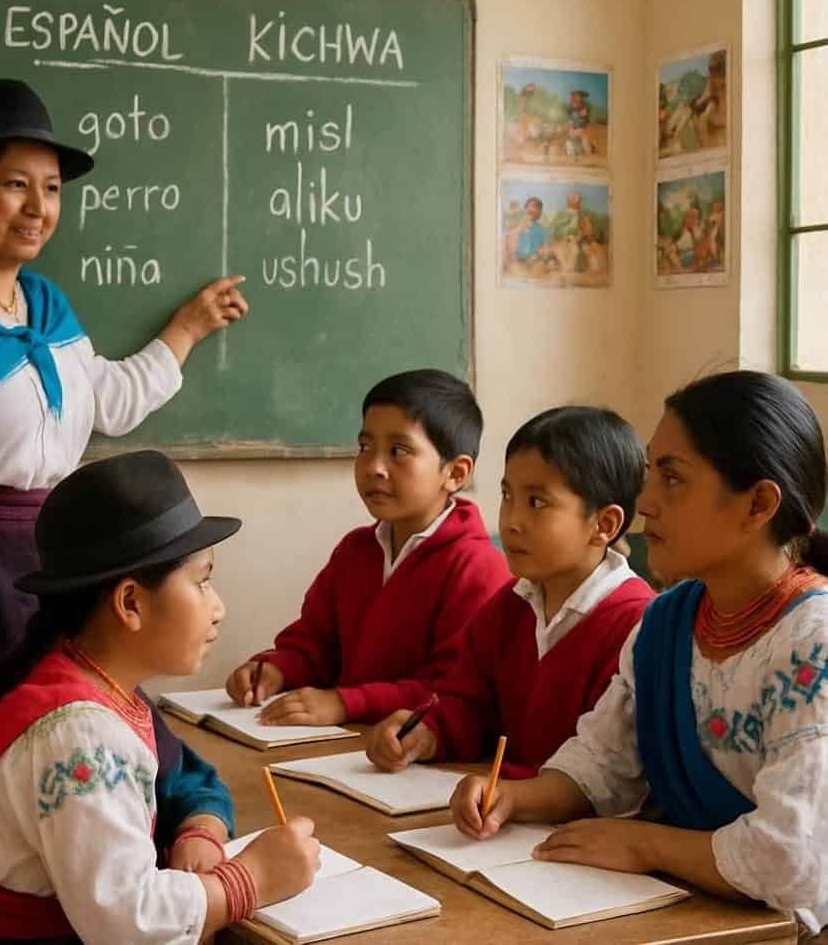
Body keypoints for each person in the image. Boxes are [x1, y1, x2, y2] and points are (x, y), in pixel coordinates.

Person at [0, 78, 248, 940]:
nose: (39, 207)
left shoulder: (46, 308)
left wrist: (186, 328)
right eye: (15, 185)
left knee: (51, 767)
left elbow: (106, 401)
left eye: (52, 188)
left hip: (38, 574)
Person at [450, 371, 828, 938]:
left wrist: (647, 844)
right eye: (651, 473)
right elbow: (602, 763)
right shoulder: (666, 623)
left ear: (757, 504)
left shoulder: (813, 644)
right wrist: (512, 797)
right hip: (692, 912)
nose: (646, 501)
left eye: (672, 479)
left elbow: (791, 858)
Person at [0, 450, 319, 943]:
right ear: (130, 602)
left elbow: (186, 777)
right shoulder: (79, 734)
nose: (218, 607)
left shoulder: (91, 687)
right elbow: (126, 925)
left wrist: (200, 827)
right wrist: (255, 877)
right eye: (202, 581)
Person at [366, 406, 653, 777]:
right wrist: (425, 734)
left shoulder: (636, 624)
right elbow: (468, 707)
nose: (512, 521)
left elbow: (609, 775)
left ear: (604, 524)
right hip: (497, 803)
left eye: (537, 503)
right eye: (507, 496)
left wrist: (512, 792)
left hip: (554, 809)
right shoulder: (509, 607)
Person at [225, 369, 510, 726]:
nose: (374, 467)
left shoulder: (477, 567)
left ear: (455, 473)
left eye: (399, 451)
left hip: (412, 751)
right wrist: (276, 669)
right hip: (342, 742)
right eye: (365, 447)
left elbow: (453, 689)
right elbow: (315, 644)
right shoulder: (356, 550)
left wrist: (345, 703)